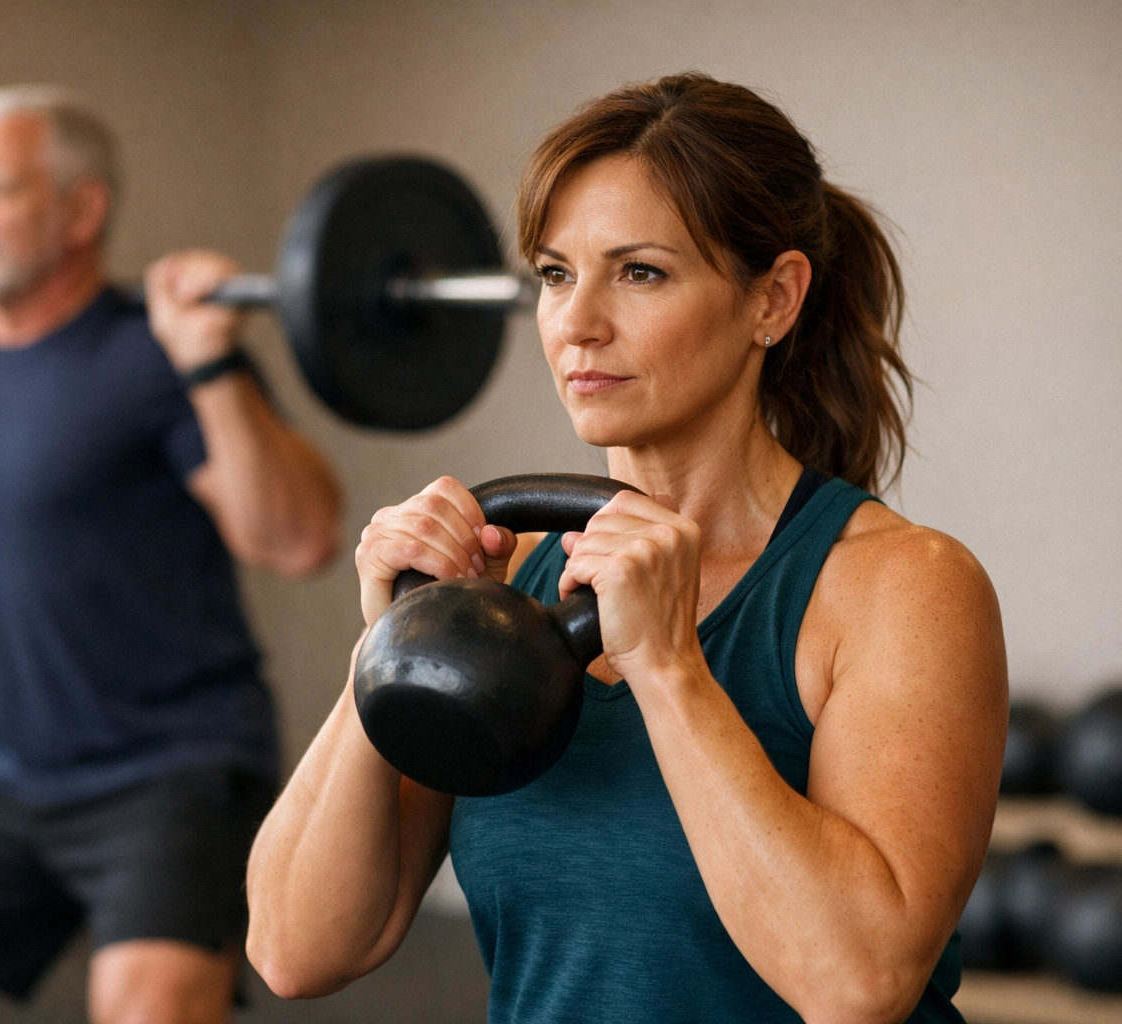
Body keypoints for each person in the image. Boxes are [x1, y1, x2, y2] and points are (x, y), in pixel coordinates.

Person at [246, 73, 1006, 1023]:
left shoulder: (900, 588)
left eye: (639, 272)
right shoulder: (509, 574)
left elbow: (859, 986)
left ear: (773, 299)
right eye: (556, 274)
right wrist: (393, 644)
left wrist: (669, 667)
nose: (576, 324)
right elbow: (296, 950)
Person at [0, 85, 341, 1024]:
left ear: (84, 210)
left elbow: (298, 540)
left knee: (148, 1012)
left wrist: (209, 363)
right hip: (1, 764)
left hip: (168, 765)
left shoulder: (152, 353)